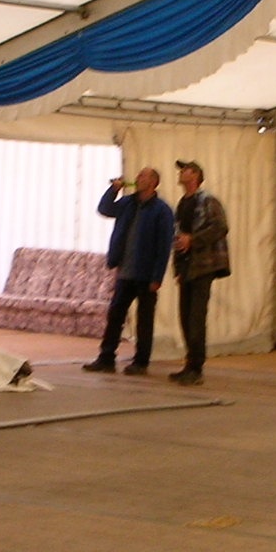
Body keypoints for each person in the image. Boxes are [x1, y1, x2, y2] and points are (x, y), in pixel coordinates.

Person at [85, 167, 174, 376]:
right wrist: (113, 190)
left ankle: (141, 362)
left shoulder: (162, 210)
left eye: (143, 176)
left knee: (144, 320)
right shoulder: (127, 203)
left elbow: (164, 246)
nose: (138, 178)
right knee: (115, 315)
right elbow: (104, 209)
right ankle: (106, 358)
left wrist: (157, 277)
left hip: (146, 274)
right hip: (125, 271)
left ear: (153, 183)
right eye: (139, 175)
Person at [168, 160, 229, 385]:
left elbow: (220, 227)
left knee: (196, 317)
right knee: (185, 317)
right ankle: (189, 364)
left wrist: (193, 239)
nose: (181, 173)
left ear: (196, 176)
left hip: (204, 266)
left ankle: (196, 368)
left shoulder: (208, 200)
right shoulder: (183, 203)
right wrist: (178, 267)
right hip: (187, 267)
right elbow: (178, 236)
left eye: (186, 170)